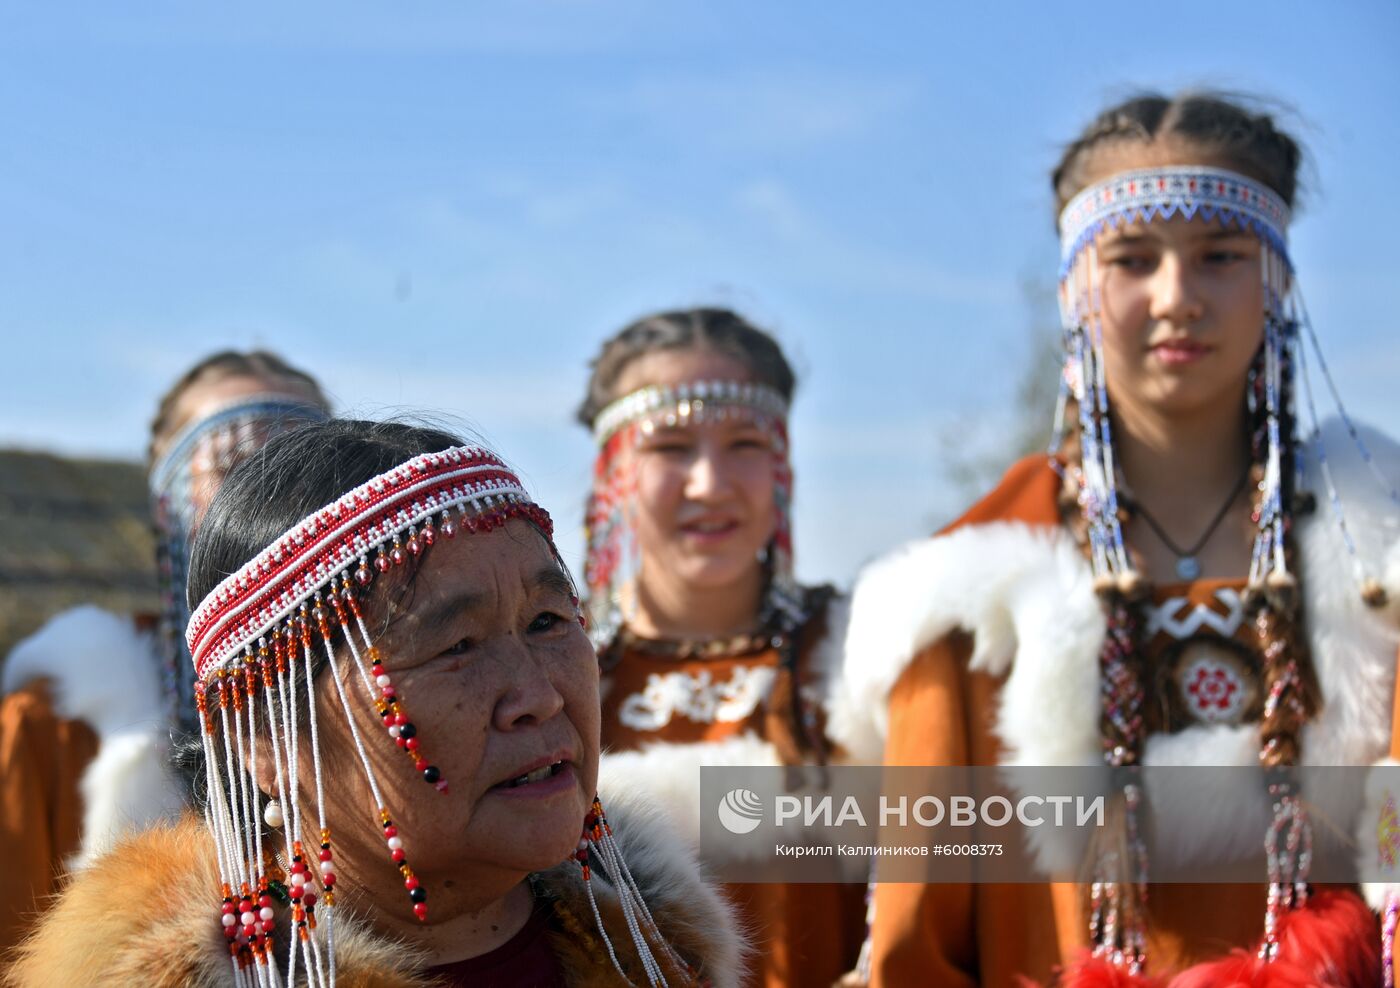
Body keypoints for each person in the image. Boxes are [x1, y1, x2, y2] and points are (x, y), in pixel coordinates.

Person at [845, 92, 1400, 985]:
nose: (1177, 297)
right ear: (1073, 290)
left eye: (1221, 256)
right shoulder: (970, 589)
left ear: (1280, 279)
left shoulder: (1382, 548)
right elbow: (917, 942)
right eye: (1133, 260)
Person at [4, 418, 744, 986]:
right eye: (457, 647)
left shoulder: (659, 953)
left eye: (549, 622)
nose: (540, 696)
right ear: (263, 735)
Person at [579, 308, 873, 988]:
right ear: (612, 473)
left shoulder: (868, 655)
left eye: (744, 444)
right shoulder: (556, 677)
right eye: (671, 447)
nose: (710, 484)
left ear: (784, 467)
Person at [0, 350, 329, 957]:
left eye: (305, 459)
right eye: (234, 462)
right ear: (165, 505)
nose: (271, 489)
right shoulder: (52, 727)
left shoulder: (405, 698)